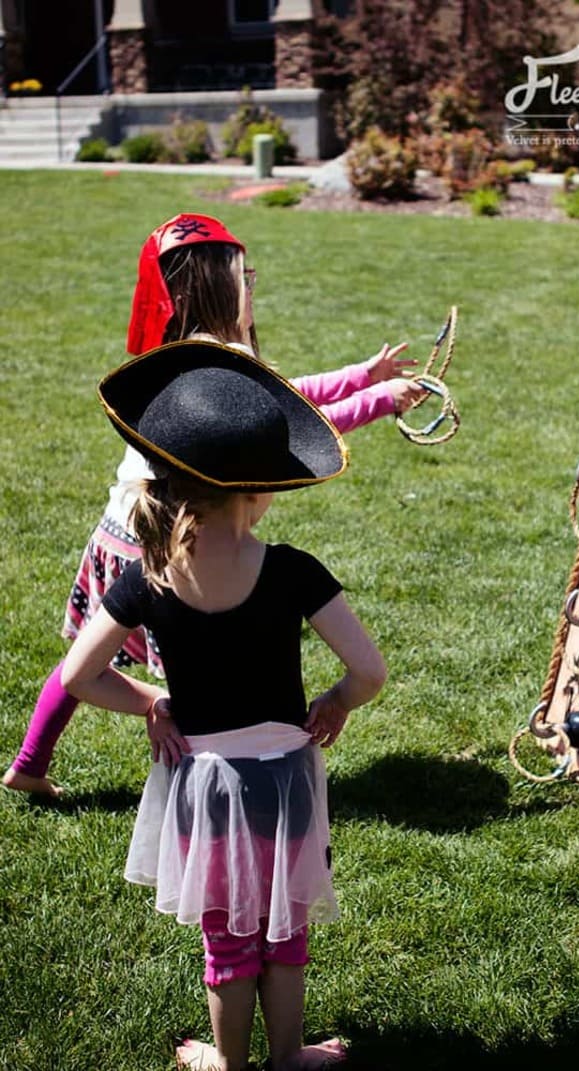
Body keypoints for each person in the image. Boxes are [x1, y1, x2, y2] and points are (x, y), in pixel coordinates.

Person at [3, 212, 419, 798]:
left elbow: (286, 398)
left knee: (86, 656)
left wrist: (362, 377)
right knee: (190, 663)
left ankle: (30, 761)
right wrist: (379, 399)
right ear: (213, 286)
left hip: (131, 522)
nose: (253, 288)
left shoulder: (200, 350)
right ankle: (216, 769)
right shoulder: (215, 359)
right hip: (164, 533)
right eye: (244, 278)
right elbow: (291, 424)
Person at [61, 339, 388, 1071]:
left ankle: (232, 1066)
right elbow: (369, 670)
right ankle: (290, 1057)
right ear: (256, 492)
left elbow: (79, 674)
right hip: (286, 783)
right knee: (285, 936)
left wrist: (152, 701)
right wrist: (336, 701)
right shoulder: (294, 570)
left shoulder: (147, 579)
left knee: (228, 943)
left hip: (204, 790)